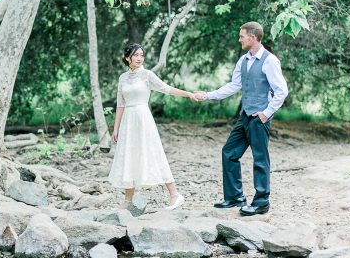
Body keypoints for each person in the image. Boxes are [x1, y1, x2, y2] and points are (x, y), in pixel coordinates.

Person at [194, 21, 289, 216]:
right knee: (229, 152)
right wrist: (208, 95)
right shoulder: (243, 60)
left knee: (260, 159)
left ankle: (261, 202)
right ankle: (235, 197)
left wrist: (265, 113)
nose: (239, 39)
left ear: (252, 38)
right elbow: (233, 85)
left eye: (242, 36)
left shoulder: (270, 61)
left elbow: (282, 91)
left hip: (259, 118)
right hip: (245, 116)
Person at [108, 43, 198, 210]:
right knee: (130, 155)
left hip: (143, 118)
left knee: (153, 152)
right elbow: (120, 104)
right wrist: (116, 128)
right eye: (136, 55)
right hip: (128, 119)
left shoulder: (147, 75)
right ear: (128, 58)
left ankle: (174, 194)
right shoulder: (122, 78)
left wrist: (188, 94)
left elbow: (167, 89)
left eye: (142, 55)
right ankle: (128, 200)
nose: (140, 58)